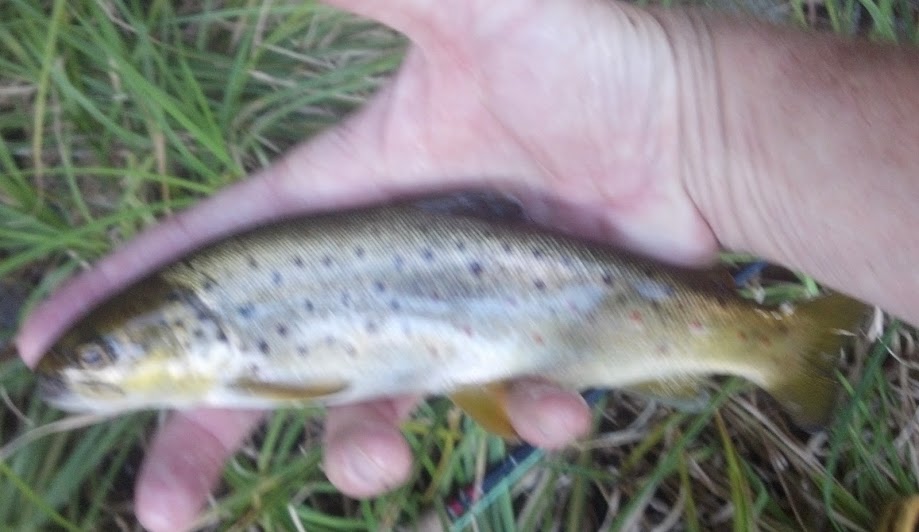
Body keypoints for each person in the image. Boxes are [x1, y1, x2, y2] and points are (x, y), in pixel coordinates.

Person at [14, 0, 919, 530]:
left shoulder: (251, 361)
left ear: (188, 334)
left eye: (100, 357)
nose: (89, 372)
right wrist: (691, 120)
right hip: (552, 299)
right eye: (100, 361)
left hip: (567, 294)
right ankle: (771, 342)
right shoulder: (229, 336)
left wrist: (688, 116)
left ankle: (773, 344)